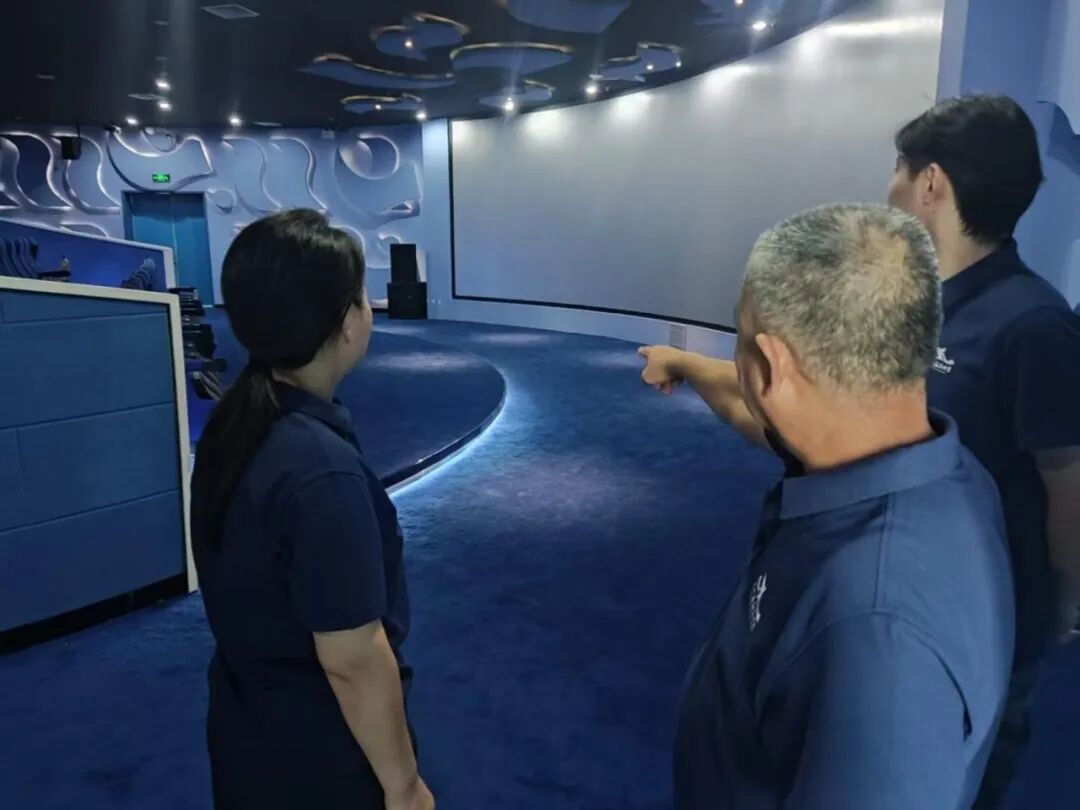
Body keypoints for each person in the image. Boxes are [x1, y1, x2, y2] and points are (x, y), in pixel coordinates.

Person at [642, 95, 1080, 807]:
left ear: (931, 181)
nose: (890, 186)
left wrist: (1063, 601)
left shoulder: (879, 638)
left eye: (897, 169)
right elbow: (804, 405)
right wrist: (694, 366)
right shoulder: (925, 362)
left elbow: (1068, 483)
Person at [672, 204, 1014, 809]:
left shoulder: (877, 637)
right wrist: (686, 364)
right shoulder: (948, 466)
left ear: (770, 367)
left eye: (739, 337)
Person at [190, 210, 434, 810]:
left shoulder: (234, 421)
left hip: (249, 728)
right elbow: (353, 658)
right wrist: (404, 786)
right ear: (346, 322)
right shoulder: (319, 473)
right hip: (319, 759)